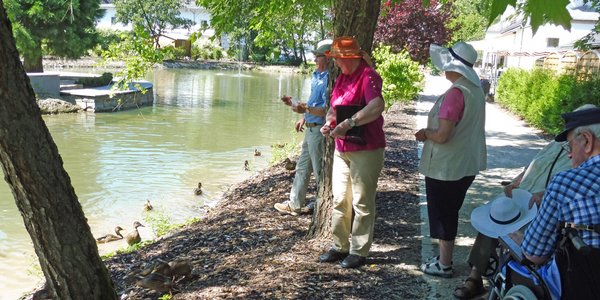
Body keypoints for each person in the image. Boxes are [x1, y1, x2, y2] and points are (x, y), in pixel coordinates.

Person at [453, 140, 571, 299]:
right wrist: (515, 182)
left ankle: (490, 279)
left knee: (509, 226)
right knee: (495, 217)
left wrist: (547, 196)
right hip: (522, 197)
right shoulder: (556, 144)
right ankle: (476, 276)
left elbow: (569, 189)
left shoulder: (584, 156)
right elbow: (533, 166)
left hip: (542, 206)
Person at [415, 41, 487, 277]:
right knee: (451, 209)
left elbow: (443, 136)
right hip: (466, 164)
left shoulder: (456, 93)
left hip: (446, 167)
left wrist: (425, 134)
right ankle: (444, 258)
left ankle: (444, 264)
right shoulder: (474, 90)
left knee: (443, 213)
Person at [513, 105, 600, 298]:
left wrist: (523, 240)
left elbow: (534, 255)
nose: (569, 155)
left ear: (587, 140)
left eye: (570, 147)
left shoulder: (566, 182)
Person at [318, 36, 386, 269]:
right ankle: (340, 246)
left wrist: (348, 124)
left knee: (362, 202)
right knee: (339, 198)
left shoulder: (368, 76)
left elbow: (376, 106)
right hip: (342, 148)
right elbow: (333, 109)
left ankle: (359, 251)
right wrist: (329, 122)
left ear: (348, 57)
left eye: (337, 58)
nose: (335, 62)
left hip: (366, 148)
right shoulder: (342, 78)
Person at [274, 39, 332, 215]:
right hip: (310, 128)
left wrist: (305, 109)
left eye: (318, 56)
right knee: (302, 167)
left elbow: (327, 110)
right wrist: (300, 112)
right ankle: (295, 204)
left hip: (320, 130)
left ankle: (324, 206)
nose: (314, 59)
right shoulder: (317, 76)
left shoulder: (330, 78)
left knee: (320, 170)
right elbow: (312, 105)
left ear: (328, 57)